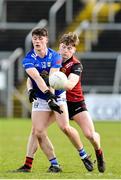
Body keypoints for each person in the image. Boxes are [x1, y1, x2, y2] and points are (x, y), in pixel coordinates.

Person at [15, 28, 93, 173]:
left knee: (65, 127)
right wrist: (31, 90)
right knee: (38, 131)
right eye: (35, 39)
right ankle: (54, 164)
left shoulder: (55, 56)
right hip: (41, 98)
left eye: (40, 38)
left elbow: (52, 79)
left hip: (58, 96)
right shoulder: (28, 59)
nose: (37, 41)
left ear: (46, 40)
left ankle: (83, 155)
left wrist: (51, 97)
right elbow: (34, 78)